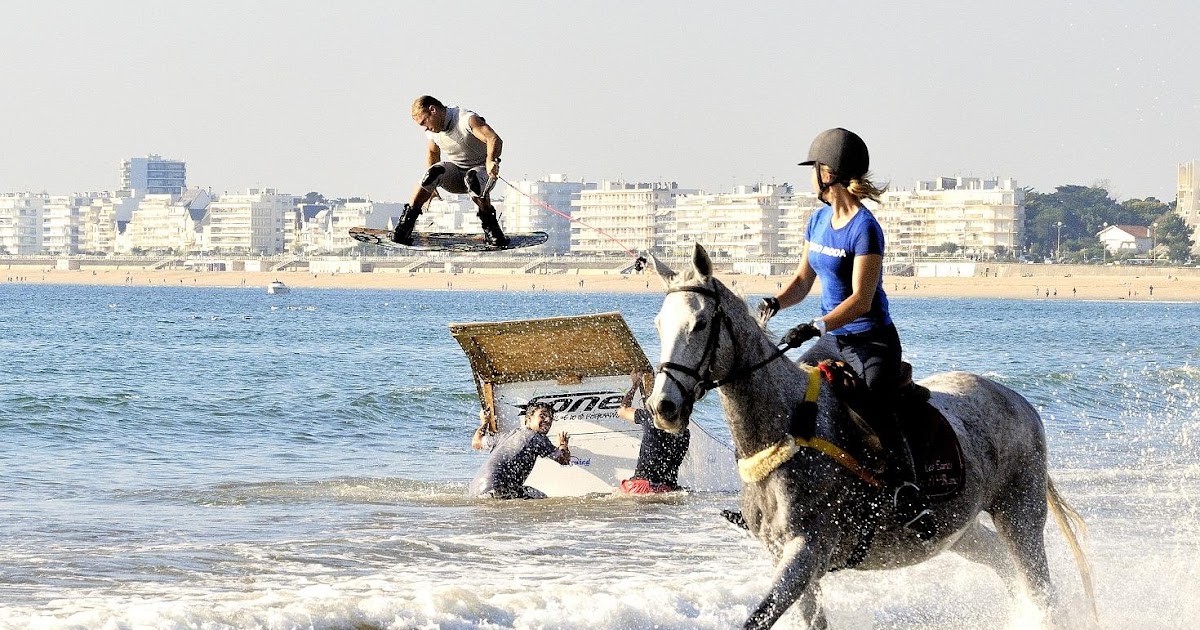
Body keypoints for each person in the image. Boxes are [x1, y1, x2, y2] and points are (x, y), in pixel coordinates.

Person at [757, 127, 937, 541]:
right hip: (832, 338)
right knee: (785, 391)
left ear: (829, 172)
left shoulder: (865, 228)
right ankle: (773, 496)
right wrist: (776, 302)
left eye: (815, 168)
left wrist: (817, 325)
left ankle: (908, 491)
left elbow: (860, 299)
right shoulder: (817, 220)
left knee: (876, 403)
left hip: (870, 339)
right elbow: (803, 281)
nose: (812, 175)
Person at [393, 95, 509, 246]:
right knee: (433, 172)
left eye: (424, 122)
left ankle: (492, 230)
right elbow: (433, 153)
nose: (425, 128)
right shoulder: (433, 132)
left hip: (482, 174)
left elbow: (494, 138)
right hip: (456, 176)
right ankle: (404, 228)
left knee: (472, 178)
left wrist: (490, 160)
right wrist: (431, 188)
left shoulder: (465, 119)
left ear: (433, 110)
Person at [468, 402, 570, 499]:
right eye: (542, 416)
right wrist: (562, 445)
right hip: (496, 491)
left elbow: (476, 442)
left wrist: (484, 423)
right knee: (542, 499)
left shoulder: (507, 435)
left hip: (476, 491)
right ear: (529, 419)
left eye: (551, 418)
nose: (548, 420)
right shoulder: (537, 437)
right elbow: (563, 460)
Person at [615, 372, 691, 493]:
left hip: (640, 486)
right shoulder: (684, 433)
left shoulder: (650, 418)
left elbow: (622, 410)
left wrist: (635, 384)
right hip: (666, 490)